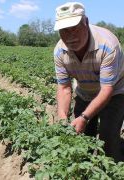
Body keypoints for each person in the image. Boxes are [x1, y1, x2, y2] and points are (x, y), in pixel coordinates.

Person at [54, 2, 124, 162]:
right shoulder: (60, 51)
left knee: (107, 138)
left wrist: (84, 117)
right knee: (82, 138)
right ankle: (85, 169)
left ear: (86, 22)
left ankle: (113, 168)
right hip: (85, 91)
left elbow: (107, 90)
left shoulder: (107, 45)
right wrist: (62, 117)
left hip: (115, 91)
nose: (70, 36)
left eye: (75, 28)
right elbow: (64, 88)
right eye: (64, 30)